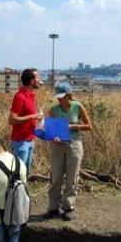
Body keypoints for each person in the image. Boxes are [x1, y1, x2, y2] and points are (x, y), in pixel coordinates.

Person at [44, 83, 92, 221]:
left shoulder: (78, 107)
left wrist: (72, 126)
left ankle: (69, 207)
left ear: (69, 95)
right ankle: (53, 207)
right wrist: (53, 137)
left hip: (74, 145)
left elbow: (89, 126)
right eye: (58, 97)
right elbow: (50, 129)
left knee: (72, 177)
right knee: (56, 177)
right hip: (58, 146)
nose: (59, 99)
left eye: (62, 97)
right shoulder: (54, 110)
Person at [8, 68, 44, 173]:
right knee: (18, 174)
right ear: (32, 81)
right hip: (21, 141)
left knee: (25, 173)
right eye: (37, 77)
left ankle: (22, 189)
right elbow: (11, 119)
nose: (39, 79)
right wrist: (33, 116)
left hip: (29, 139)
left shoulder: (31, 96)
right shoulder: (20, 97)